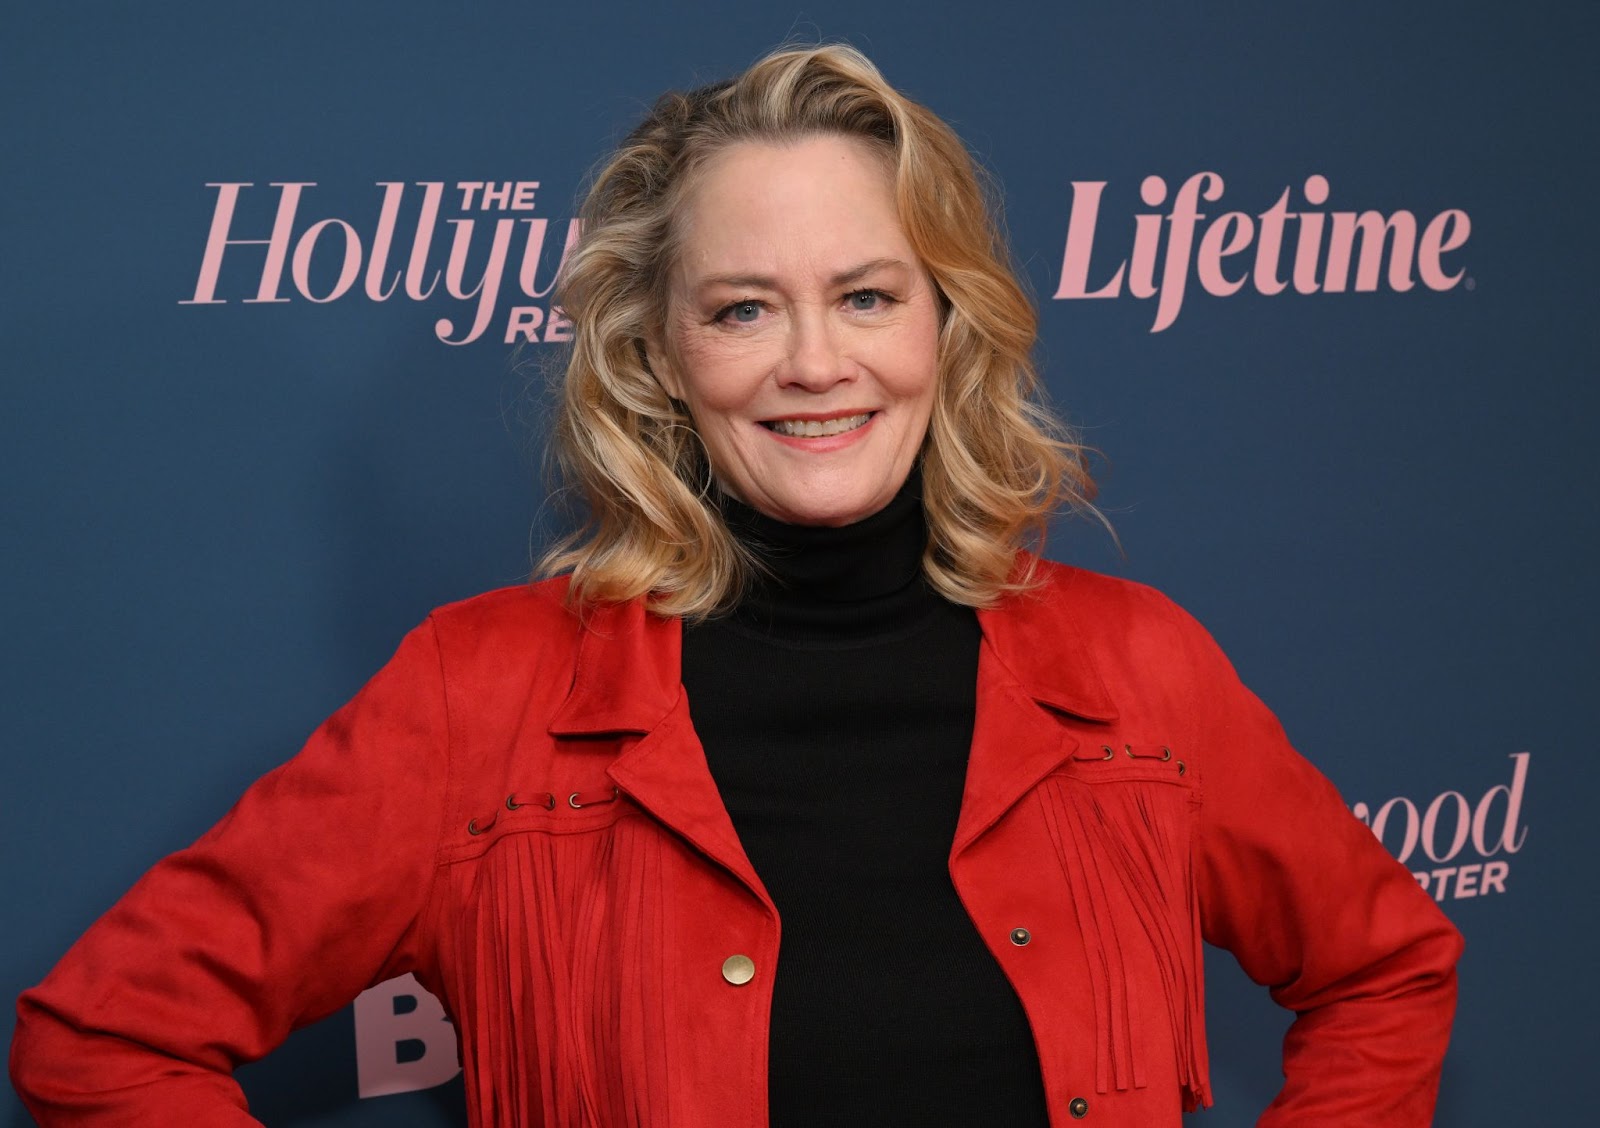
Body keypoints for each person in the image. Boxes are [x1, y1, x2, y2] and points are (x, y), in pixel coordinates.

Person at [10, 44, 1460, 1127]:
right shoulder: (482, 695)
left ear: (948, 327)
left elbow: (1385, 971)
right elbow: (104, 1038)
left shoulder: (1138, 667)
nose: (815, 362)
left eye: (868, 295)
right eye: (743, 308)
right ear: (657, 355)